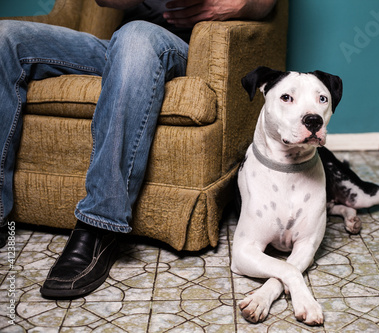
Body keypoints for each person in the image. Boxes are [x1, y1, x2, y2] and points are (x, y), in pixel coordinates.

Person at [0, 0, 277, 299]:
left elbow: (265, 4)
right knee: (6, 36)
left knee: (137, 35)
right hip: (118, 48)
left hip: (184, 48)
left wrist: (233, 5)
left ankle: (99, 224)